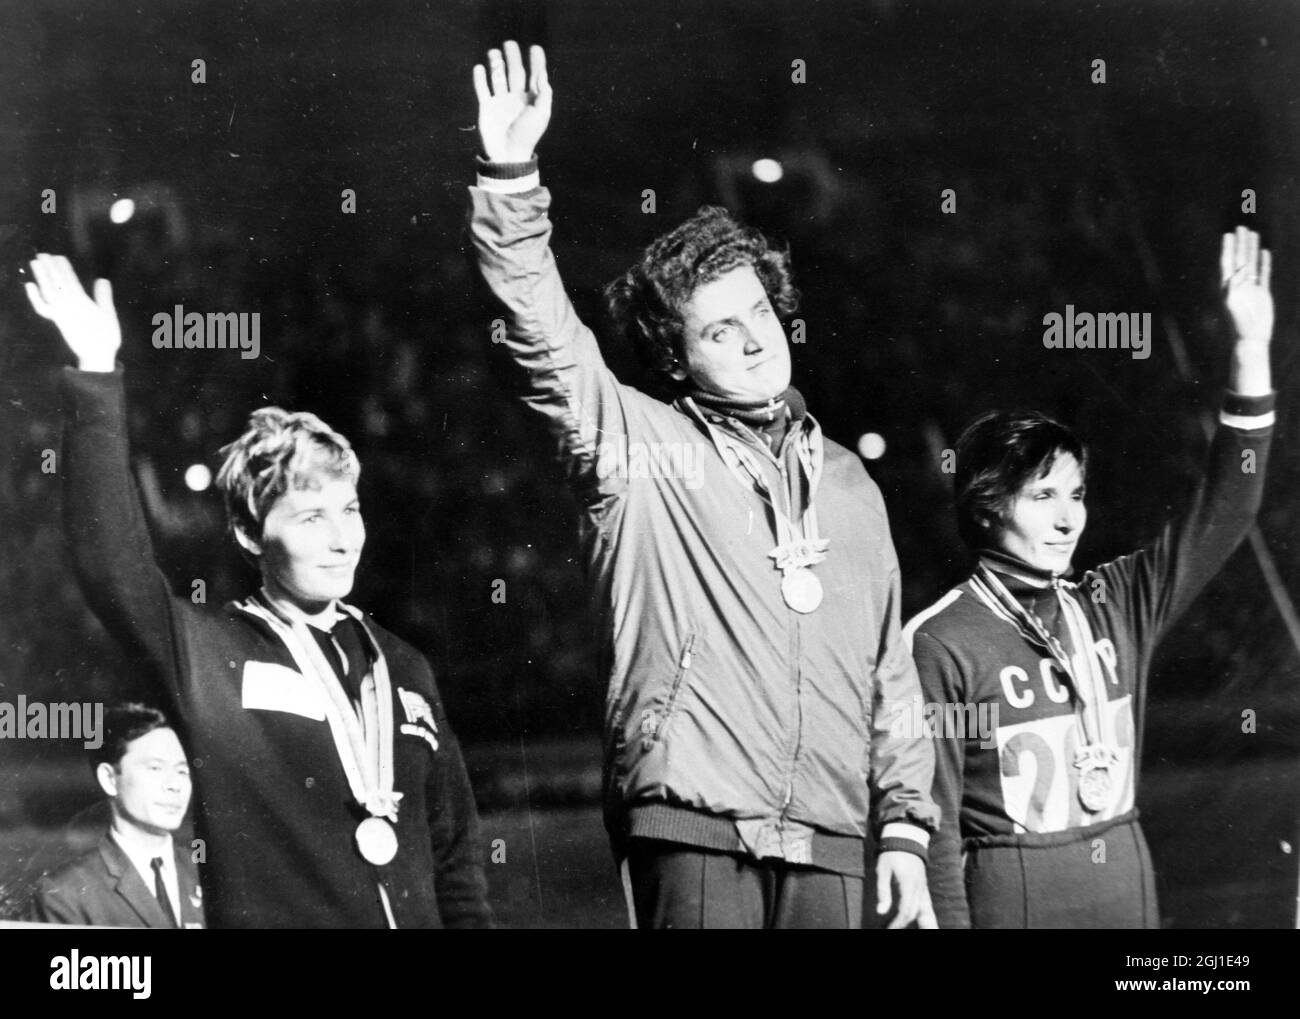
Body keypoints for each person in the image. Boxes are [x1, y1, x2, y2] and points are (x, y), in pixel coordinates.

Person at [468, 41, 939, 929]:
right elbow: (542, 336)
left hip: (834, 837)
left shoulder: (846, 482)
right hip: (696, 824)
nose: (757, 338)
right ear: (676, 360)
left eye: (760, 310)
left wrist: (907, 827)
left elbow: (891, 673)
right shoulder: (642, 450)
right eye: (720, 330)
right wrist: (509, 174)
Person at [24, 255, 492, 928]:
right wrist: (97, 375)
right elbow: (111, 567)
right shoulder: (208, 655)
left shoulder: (404, 667)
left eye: (350, 510)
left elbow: (458, 864)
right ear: (248, 534)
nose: (342, 537)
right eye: (310, 516)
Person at [905, 227, 1275, 928]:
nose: (1069, 517)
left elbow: (1231, 505)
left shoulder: (1116, 600)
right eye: (1042, 496)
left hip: (1128, 899)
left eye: (1075, 494)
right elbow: (934, 827)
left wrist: (1250, 347)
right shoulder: (940, 641)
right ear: (986, 508)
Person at [28, 703, 205, 928]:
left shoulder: (210, 873)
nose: (174, 785)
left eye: (182, 771)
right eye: (155, 768)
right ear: (110, 779)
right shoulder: (65, 894)